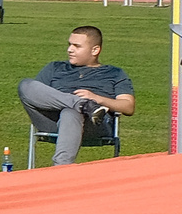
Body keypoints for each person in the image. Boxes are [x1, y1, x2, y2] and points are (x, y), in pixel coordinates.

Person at [17, 25, 135, 166]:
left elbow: (128, 106)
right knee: (25, 85)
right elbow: (37, 95)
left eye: (77, 46)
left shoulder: (113, 73)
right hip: (52, 122)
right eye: (69, 44)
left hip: (94, 124)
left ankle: (61, 168)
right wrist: (79, 101)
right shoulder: (55, 68)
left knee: (71, 112)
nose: (69, 50)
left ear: (95, 50)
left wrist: (97, 99)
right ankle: (82, 104)